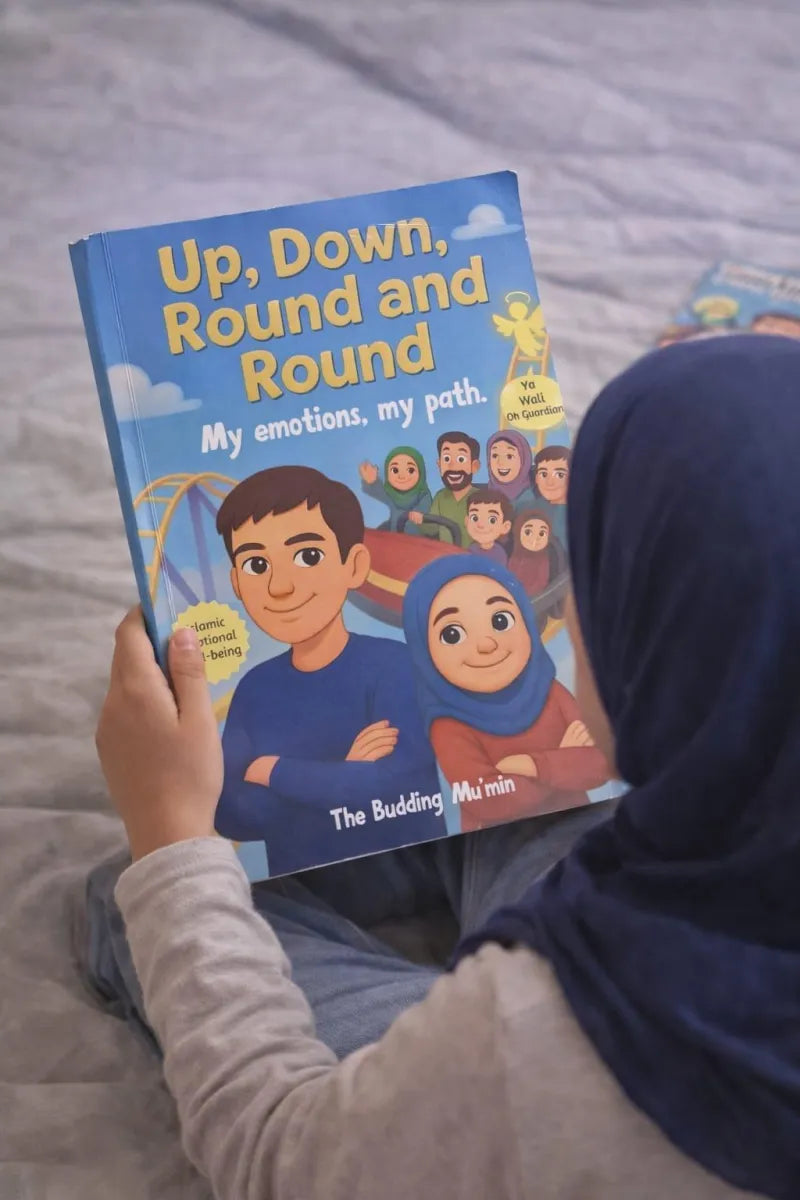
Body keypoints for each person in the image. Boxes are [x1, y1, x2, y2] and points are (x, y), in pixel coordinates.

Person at [85, 334, 800, 1200]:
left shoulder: (537, 1040)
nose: (566, 614)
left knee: (140, 895)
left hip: (541, 1073)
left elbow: (278, 1155)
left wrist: (174, 835)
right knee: (521, 793)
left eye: (595, 572)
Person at [213, 465, 444, 875]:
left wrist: (271, 770)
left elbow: (394, 788)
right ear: (235, 582)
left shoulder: (397, 666)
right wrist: (344, 775)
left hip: (424, 880)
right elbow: (230, 813)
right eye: (255, 565)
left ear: (354, 565)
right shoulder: (254, 688)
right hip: (301, 896)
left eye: (308, 556)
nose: (279, 586)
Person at [402, 556, 610, 831]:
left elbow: (599, 764)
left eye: (500, 620)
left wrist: (533, 765)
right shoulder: (449, 725)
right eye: (452, 634)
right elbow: (487, 801)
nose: (487, 644)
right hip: (499, 849)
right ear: (424, 652)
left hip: (578, 829)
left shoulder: (549, 691)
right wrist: (562, 763)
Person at [407, 429, 480, 545]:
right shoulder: (440, 496)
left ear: (474, 466)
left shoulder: (480, 498)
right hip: (446, 556)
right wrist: (421, 519)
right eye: (447, 459)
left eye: (461, 459)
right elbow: (432, 529)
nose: (452, 465)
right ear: (439, 464)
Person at [357, 446, 432, 533]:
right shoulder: (391, 493)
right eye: (395, 470)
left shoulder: (423, 494)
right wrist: (372, 481)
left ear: (420, 472)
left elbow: (425, 510)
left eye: (410, 470)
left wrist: (418, 516)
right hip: (395, 537)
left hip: (418, 540)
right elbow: (380, 492)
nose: (402, 476)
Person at [508, 508, 563, 596]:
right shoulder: (514, 558)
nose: (535, 538)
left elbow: (541, 583)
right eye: (528, 532)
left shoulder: (543, 561)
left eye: (541, 534)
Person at [486, 429, 535, 511]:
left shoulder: (534, 499)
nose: (501, 463)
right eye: (495, 455)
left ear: (524, 460)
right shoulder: (483, 497)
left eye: (509, 456)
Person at [531, 444, 570, 544]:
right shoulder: (530, 510)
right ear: (536, 479)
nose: (550, 482)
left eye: (560, 475)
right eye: (543, 474)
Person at [465, 488, 514, 564]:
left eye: (492, 520)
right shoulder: (470, 550)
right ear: (467, 521)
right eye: (475, 518)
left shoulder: (499, 554)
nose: (481, 525)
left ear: (505, 527)